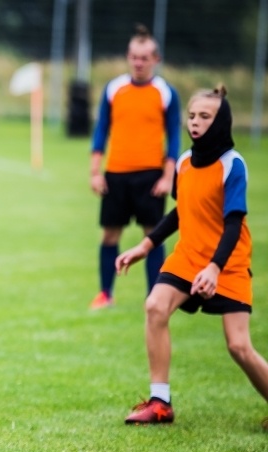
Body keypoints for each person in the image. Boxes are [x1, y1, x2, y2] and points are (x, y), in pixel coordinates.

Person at [115, 85, 268, 425]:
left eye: (205, 116)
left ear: (221, 121)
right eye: (192, 115)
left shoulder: (233, 165)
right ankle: (161, 403)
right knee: (155, 306)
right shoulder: (184, 161)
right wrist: (145, 245)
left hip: (227, 263)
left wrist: (215, 268)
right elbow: (180, 212)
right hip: (188, 256)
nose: (195, 122)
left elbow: (233, 224)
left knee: (239, 346)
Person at [89, 25, 181, 309]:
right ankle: (106, 294)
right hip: (116, 173)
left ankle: (154, 296)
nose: (138, 63)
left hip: (151, 176)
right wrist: (95, 171)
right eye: (133, 57)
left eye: (144, 58)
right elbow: (101, 130)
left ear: (156, 59)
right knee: (109, 235)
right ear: (128, 57)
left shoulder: (166, 93)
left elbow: (175, 135)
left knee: (152, 236)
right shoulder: (114, 89)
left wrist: (168, 177)